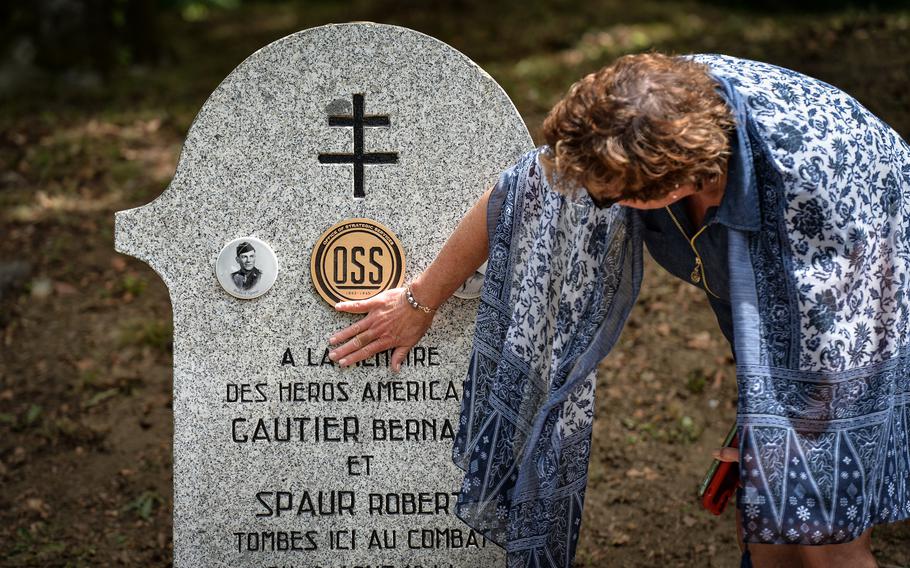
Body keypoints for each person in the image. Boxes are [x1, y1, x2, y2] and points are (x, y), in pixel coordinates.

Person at [327, 53, 910, 568]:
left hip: (865, 297)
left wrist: (777, 431)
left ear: (677, 181)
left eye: (607, 197)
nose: (591, 201)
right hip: (774, 293)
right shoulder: (624, 124)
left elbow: (833, 348)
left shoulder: (817, 174)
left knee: (822, 527)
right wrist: (418, 300)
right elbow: (519, 195)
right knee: (767, 520)